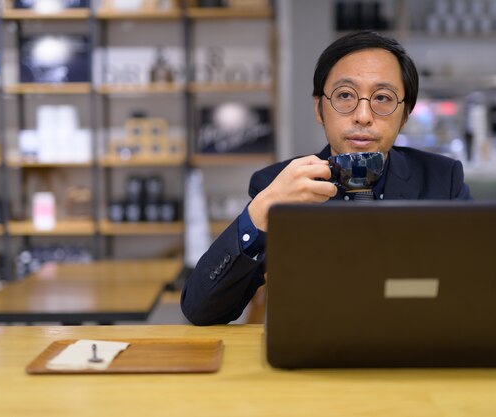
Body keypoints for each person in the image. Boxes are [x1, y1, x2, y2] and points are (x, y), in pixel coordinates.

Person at [181, 30, 472, 325]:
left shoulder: (441, 180)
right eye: (345, 95)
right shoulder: (279, 184)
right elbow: (202, 310)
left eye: (382, 98)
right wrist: (259, 212)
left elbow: (475, 289)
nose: (362, 115)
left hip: (416, 352)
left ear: (405, 114)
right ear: (320, 108)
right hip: (312, 357)